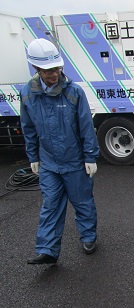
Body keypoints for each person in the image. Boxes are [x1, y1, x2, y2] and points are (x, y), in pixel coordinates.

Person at [20, 38, 100, 264]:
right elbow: (28, 127)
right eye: (48, 71)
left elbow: (86, 126)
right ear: (36, 68)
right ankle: (47, 249)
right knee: (50, 205)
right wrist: (33, 156)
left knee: (83, 202)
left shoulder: (74, 92)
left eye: (56, 68)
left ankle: (88, 237)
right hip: (49, 163)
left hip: (74, 161)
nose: (54, 74)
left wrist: (90, 156)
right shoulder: (28, 93)